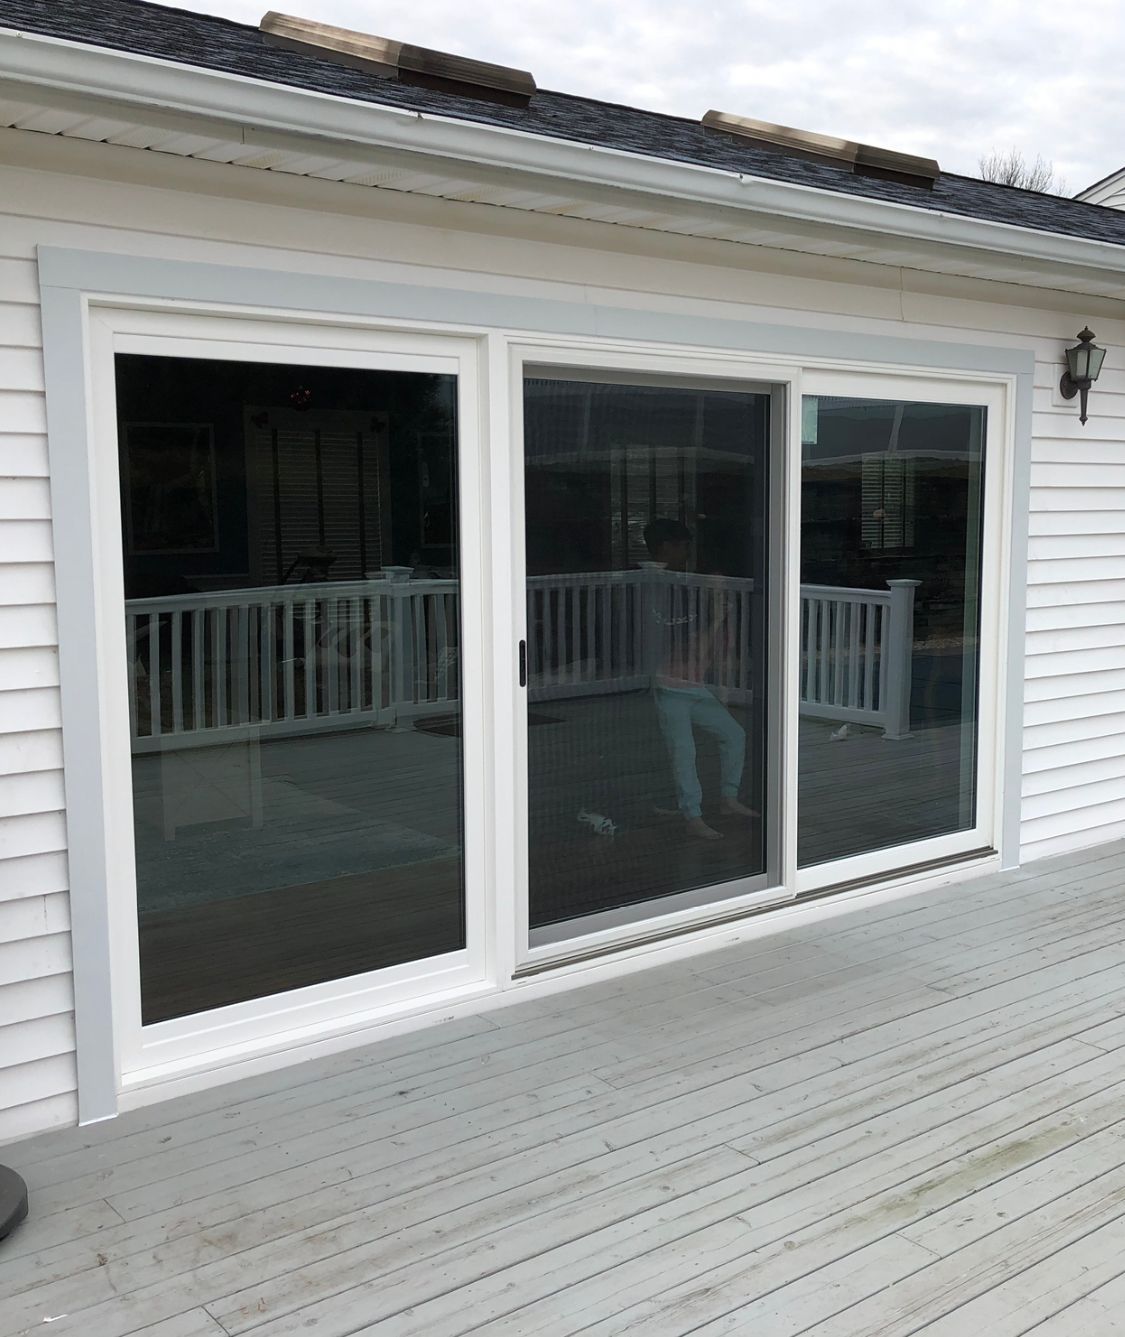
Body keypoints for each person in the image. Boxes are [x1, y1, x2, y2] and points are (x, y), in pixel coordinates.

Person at [643, 518, 755, 841]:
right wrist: (716, 619)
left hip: (694, 686)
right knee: (684, 749)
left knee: (734, 734)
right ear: (666, 548)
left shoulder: (688, 588)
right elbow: (693, 646)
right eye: (682, 545)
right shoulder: (662, 587)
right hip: (669, 686)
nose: (687, 552)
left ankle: (728, 798)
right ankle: (692, 814)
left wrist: (719, 684)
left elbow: (716, 654)